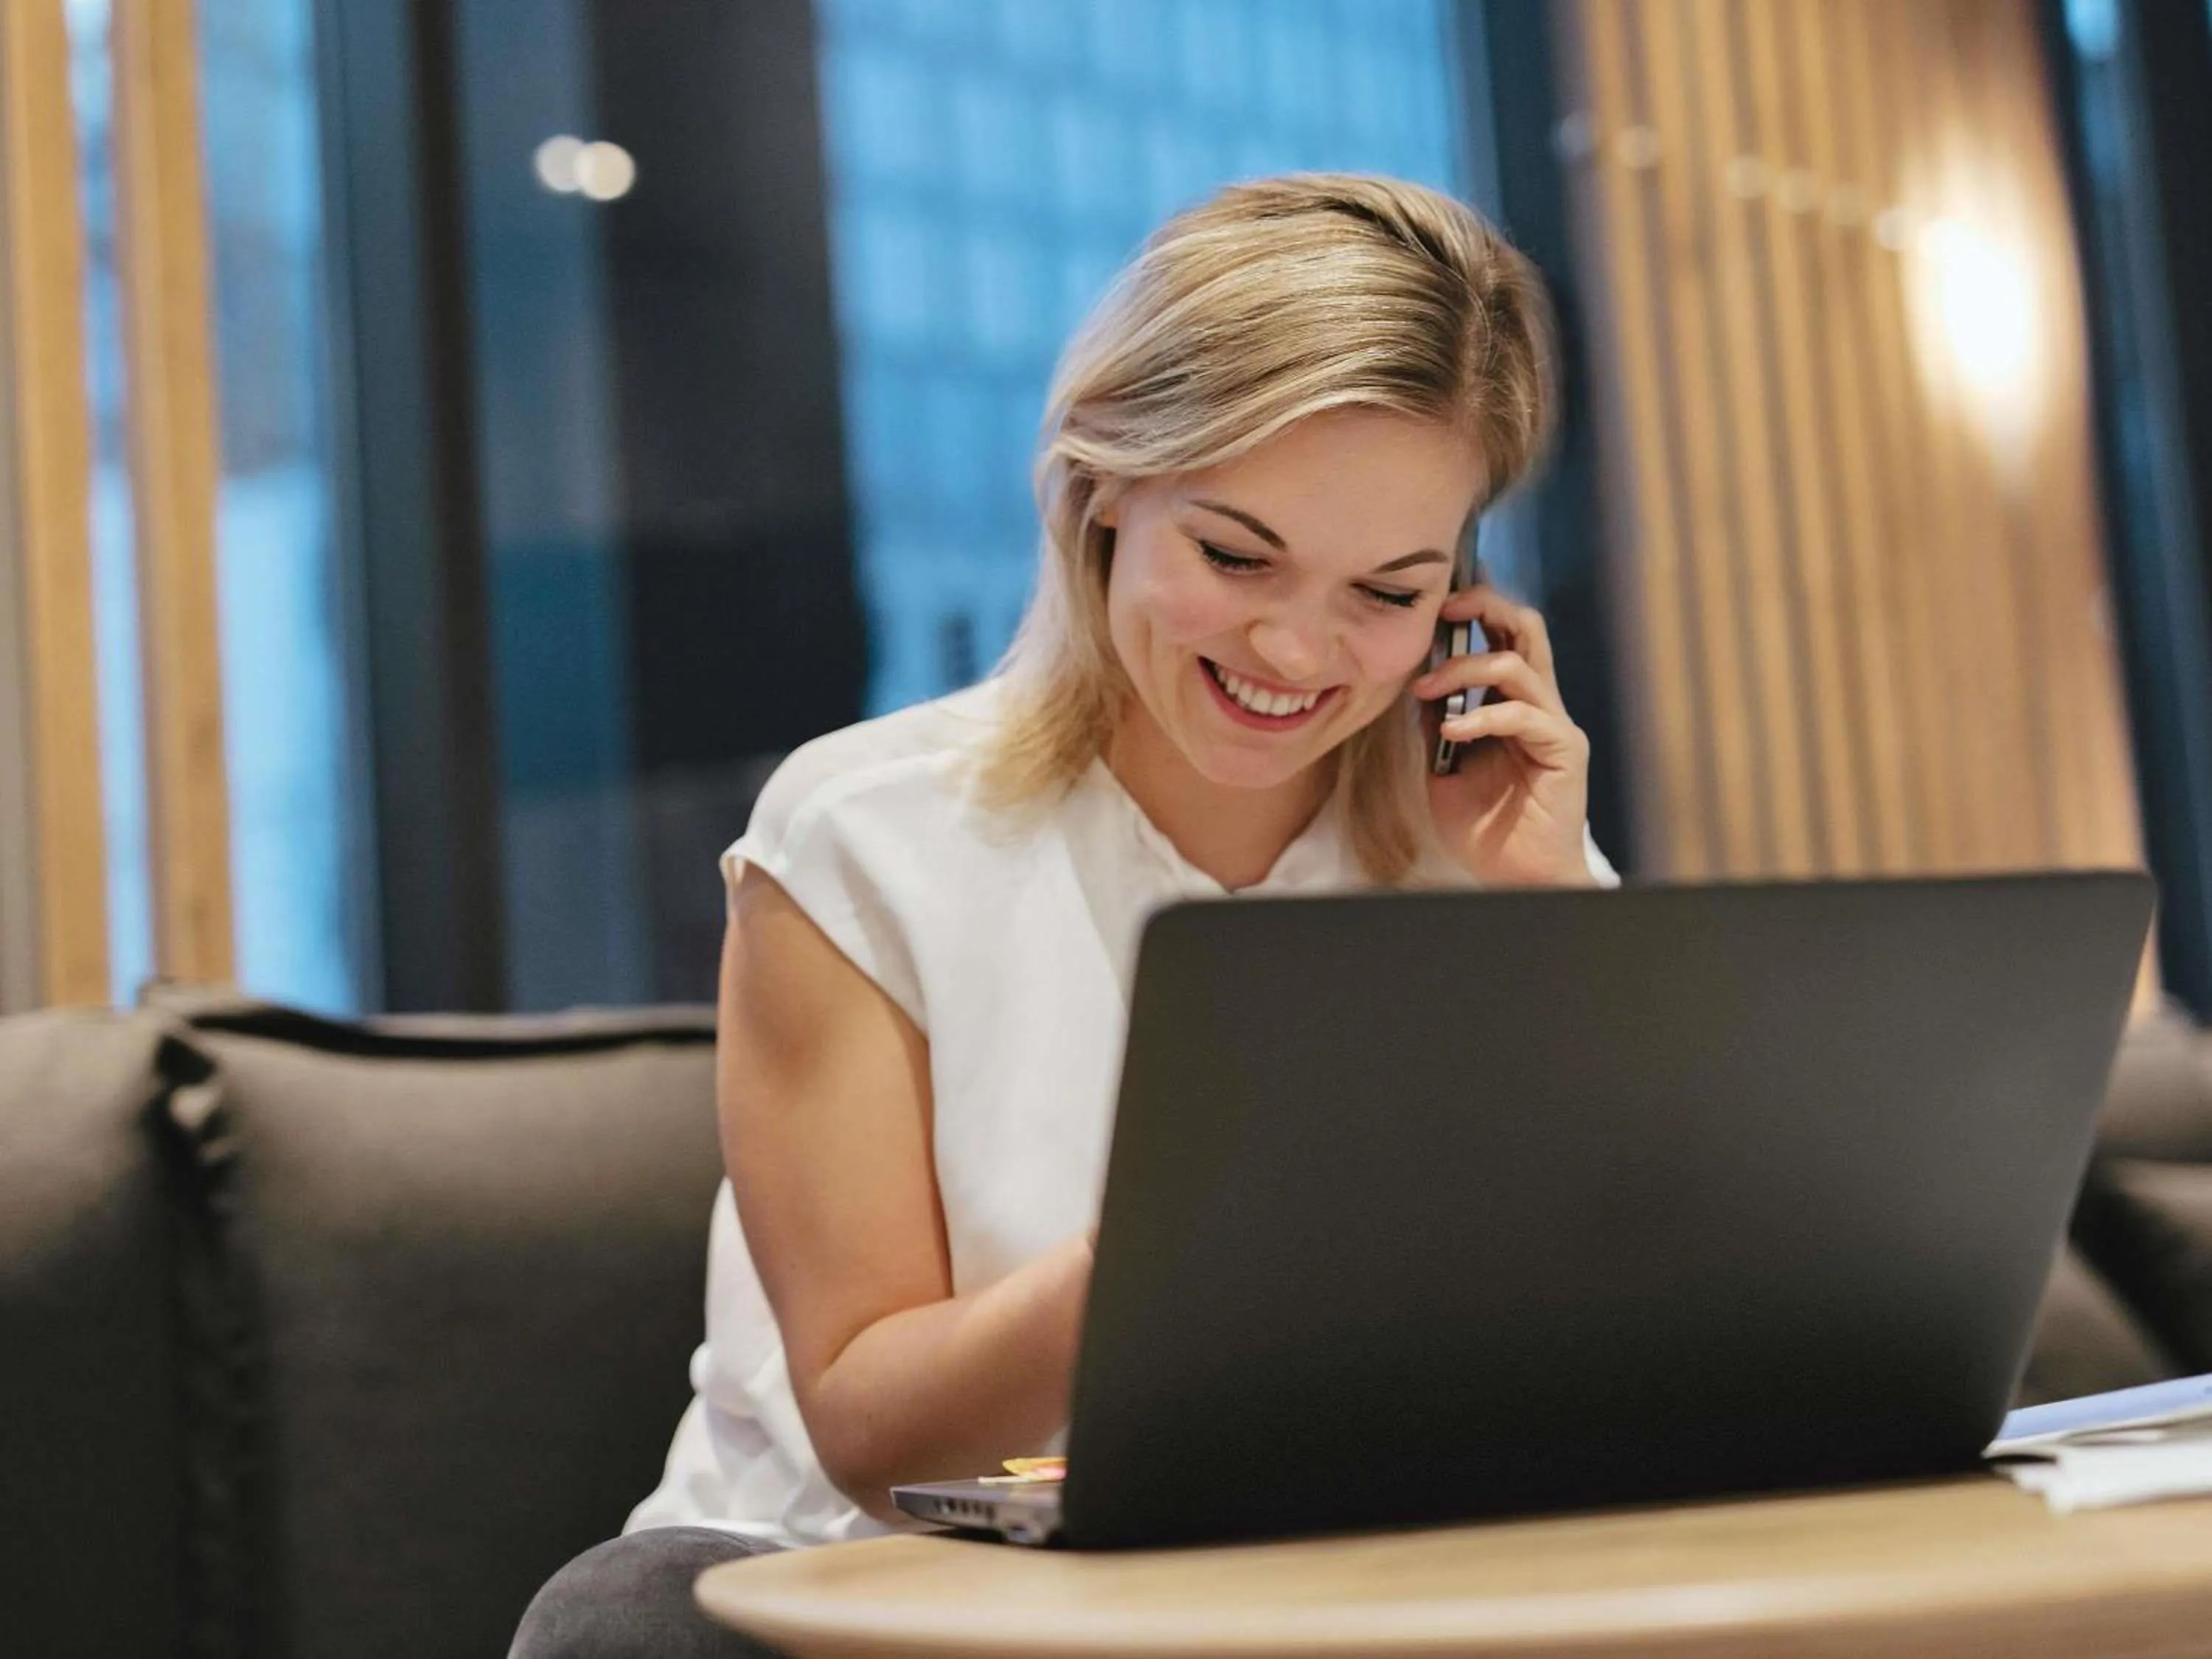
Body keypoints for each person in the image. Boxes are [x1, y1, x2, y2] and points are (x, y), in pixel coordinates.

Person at [509, 170, 1619, 1659]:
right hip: (869, 1599)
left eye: (1388, 591)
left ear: (1462, 605)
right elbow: (875, 1435)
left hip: (1314, 1587)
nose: (1299, 647)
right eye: (1235, 555)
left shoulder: (1487, 853)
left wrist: (1548, 922)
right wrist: (1181, 1254)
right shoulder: (863, 837)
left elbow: (1639, 1355)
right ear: (1105, 491)